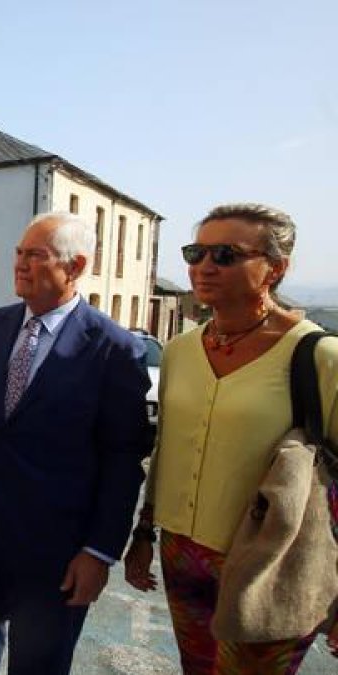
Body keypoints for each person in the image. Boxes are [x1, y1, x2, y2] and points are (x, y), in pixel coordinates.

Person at [0, 212, 151, 675]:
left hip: (57, 551)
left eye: (35, 255)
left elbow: (122, 459)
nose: (20, 264)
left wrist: (99, 551)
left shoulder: (113, 348)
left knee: (38, 665)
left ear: (75, 267)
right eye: (18, 253)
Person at [123, 203, 338, 672]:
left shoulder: (320, 357)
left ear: (275, 269)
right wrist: (143, 531)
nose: (203, 266)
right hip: (182, 553)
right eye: (195, 252)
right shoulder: (180, 351)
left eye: (224, 255)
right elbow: (168, 450)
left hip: (272, 562)